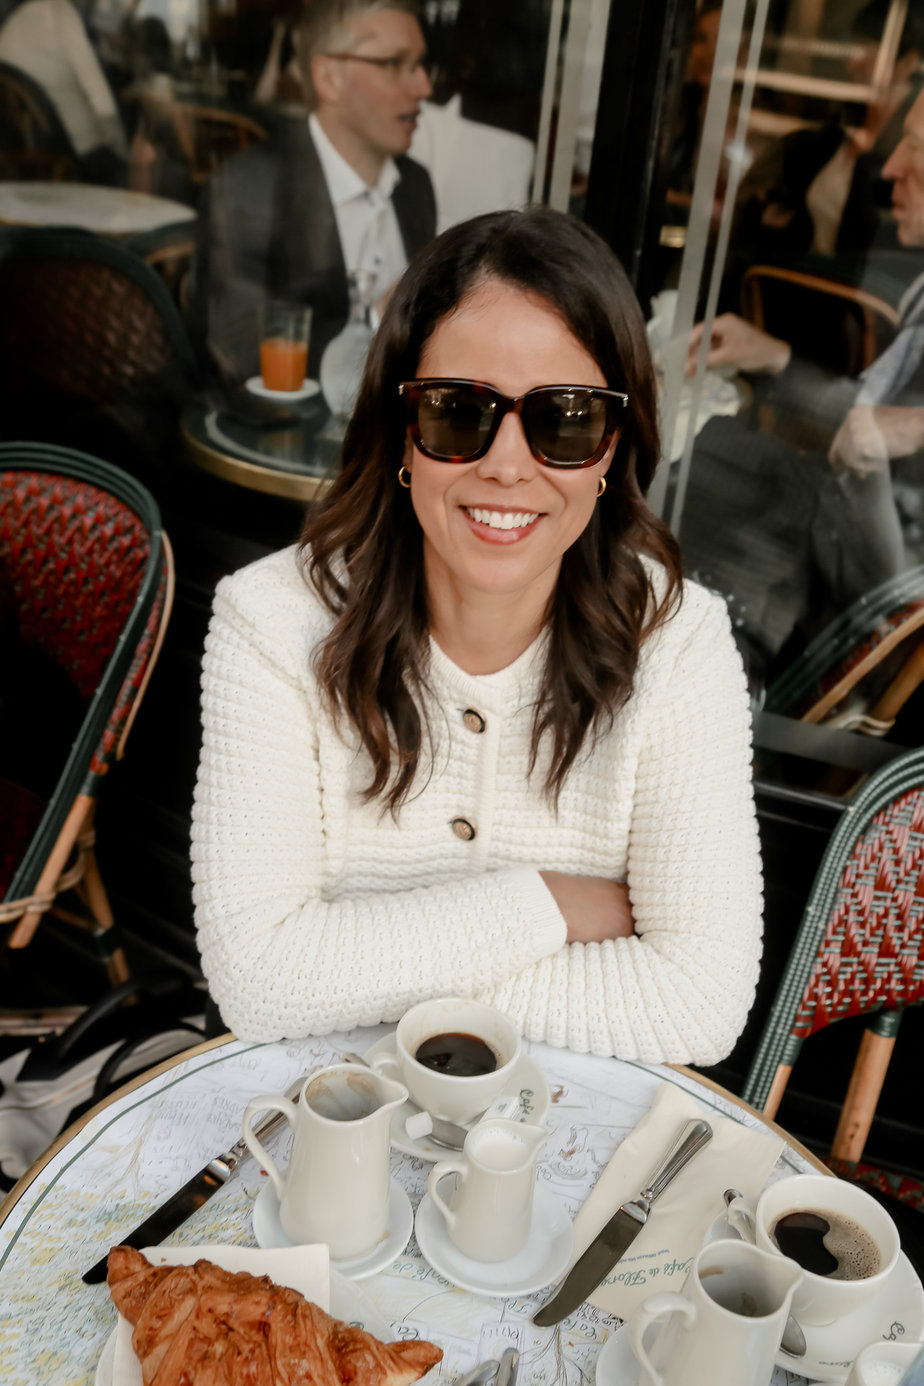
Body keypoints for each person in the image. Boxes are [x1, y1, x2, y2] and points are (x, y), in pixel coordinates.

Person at [191, 207, 763, 1064]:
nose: (507, 463)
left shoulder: (679, 644)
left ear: (612, 449)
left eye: (564, 420)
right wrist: (551, 905)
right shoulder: (271, 623)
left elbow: (701, 1006)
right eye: (460, 412)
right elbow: (260, 980)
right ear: (401, 434)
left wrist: (348, 969)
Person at [679, 85, 924, 684]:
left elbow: (894, 604)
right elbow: (863, 423)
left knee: (679, 474)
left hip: (840, 596)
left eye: (915, 147)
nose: (890, 167)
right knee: (694, 447)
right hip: (820, 524)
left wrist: (867, 465)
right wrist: (775, 358)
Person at [197, 0, 436, 382]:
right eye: (395, 64)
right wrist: (378, 320)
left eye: (422, 65)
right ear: (329, 78)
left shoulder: (414, 185)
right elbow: (242, 358)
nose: (423, 86)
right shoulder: (250, 190)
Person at [0, 0, 128, 183]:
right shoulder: (60, 14)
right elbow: (100, 98)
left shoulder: (17, 19)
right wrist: (122, 152)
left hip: (20, 153)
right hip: (75, 153)